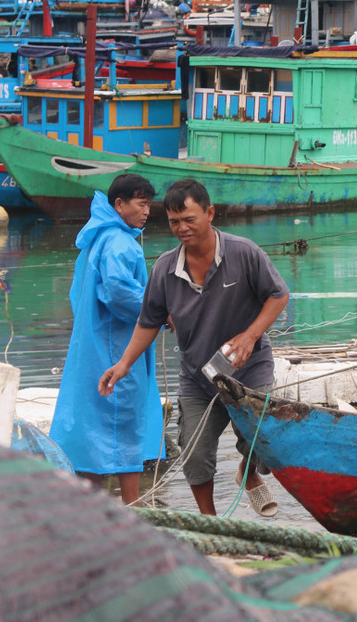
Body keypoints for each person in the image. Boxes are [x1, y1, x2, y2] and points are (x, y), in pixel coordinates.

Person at [99, 178, 290, 517]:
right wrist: (123, 364)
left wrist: (250, 335)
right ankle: (209, 521)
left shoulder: (244, 252)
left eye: (189, 219)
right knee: (195, 452)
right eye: (174, 222)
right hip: (198, 375)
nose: (182, 228)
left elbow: (278, 295)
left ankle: (249, 477)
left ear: (210, 213)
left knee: (262, 438)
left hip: (250, 366)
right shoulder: (164, 269)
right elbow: (148, 321)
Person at [49, 173, 162, 505]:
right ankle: (134, 507)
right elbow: (117, 291)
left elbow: (78, 293)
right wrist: (158, 311)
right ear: (120, 204)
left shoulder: (97, 238)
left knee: (92, 426)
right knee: (123, 422)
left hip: (91, 344)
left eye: (149, 204)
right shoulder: (120, 242)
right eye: (142, 204)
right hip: (118, 346)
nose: (147, 212)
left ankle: (93, 509)